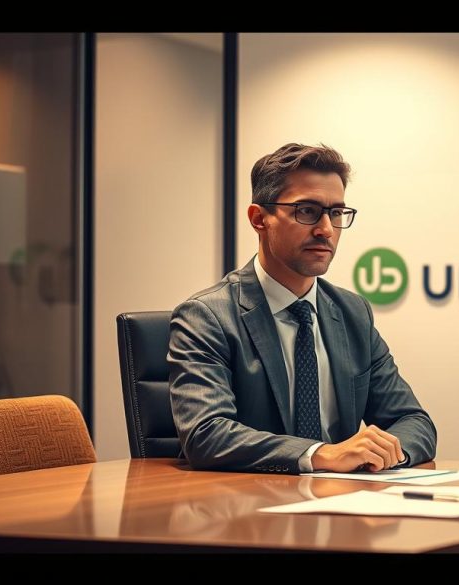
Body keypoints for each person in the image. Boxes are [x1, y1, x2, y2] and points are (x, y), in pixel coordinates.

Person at [169, 143, 436, 474]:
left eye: (336, 213)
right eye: (306, 211)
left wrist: (383, 453)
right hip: (246, 512)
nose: (325, 229)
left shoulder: (353, 312)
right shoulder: (207, 316)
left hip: (343, 505)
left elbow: (414, 422)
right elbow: (206, 434)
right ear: (259, 219)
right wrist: (320, 454)